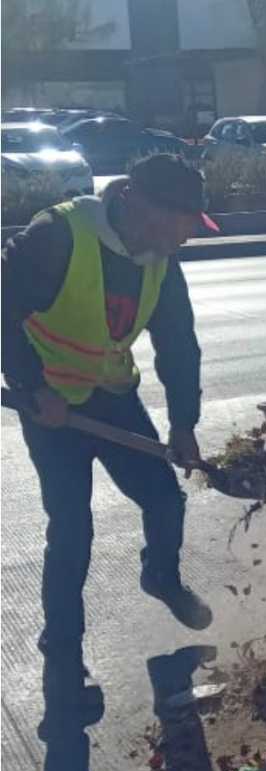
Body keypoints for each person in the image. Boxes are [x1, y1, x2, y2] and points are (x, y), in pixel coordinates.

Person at [1, 153, 217, 710]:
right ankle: (64, 648)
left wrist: (184, 422)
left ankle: (161, 577)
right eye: (185, 222)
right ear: (143, 206)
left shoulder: (161, 259)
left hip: (112, 396)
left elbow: (178, 343)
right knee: (71, 528)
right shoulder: (58, 236)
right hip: (52, 409)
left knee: (165, 497)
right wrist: (31, 387)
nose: (189, 236)